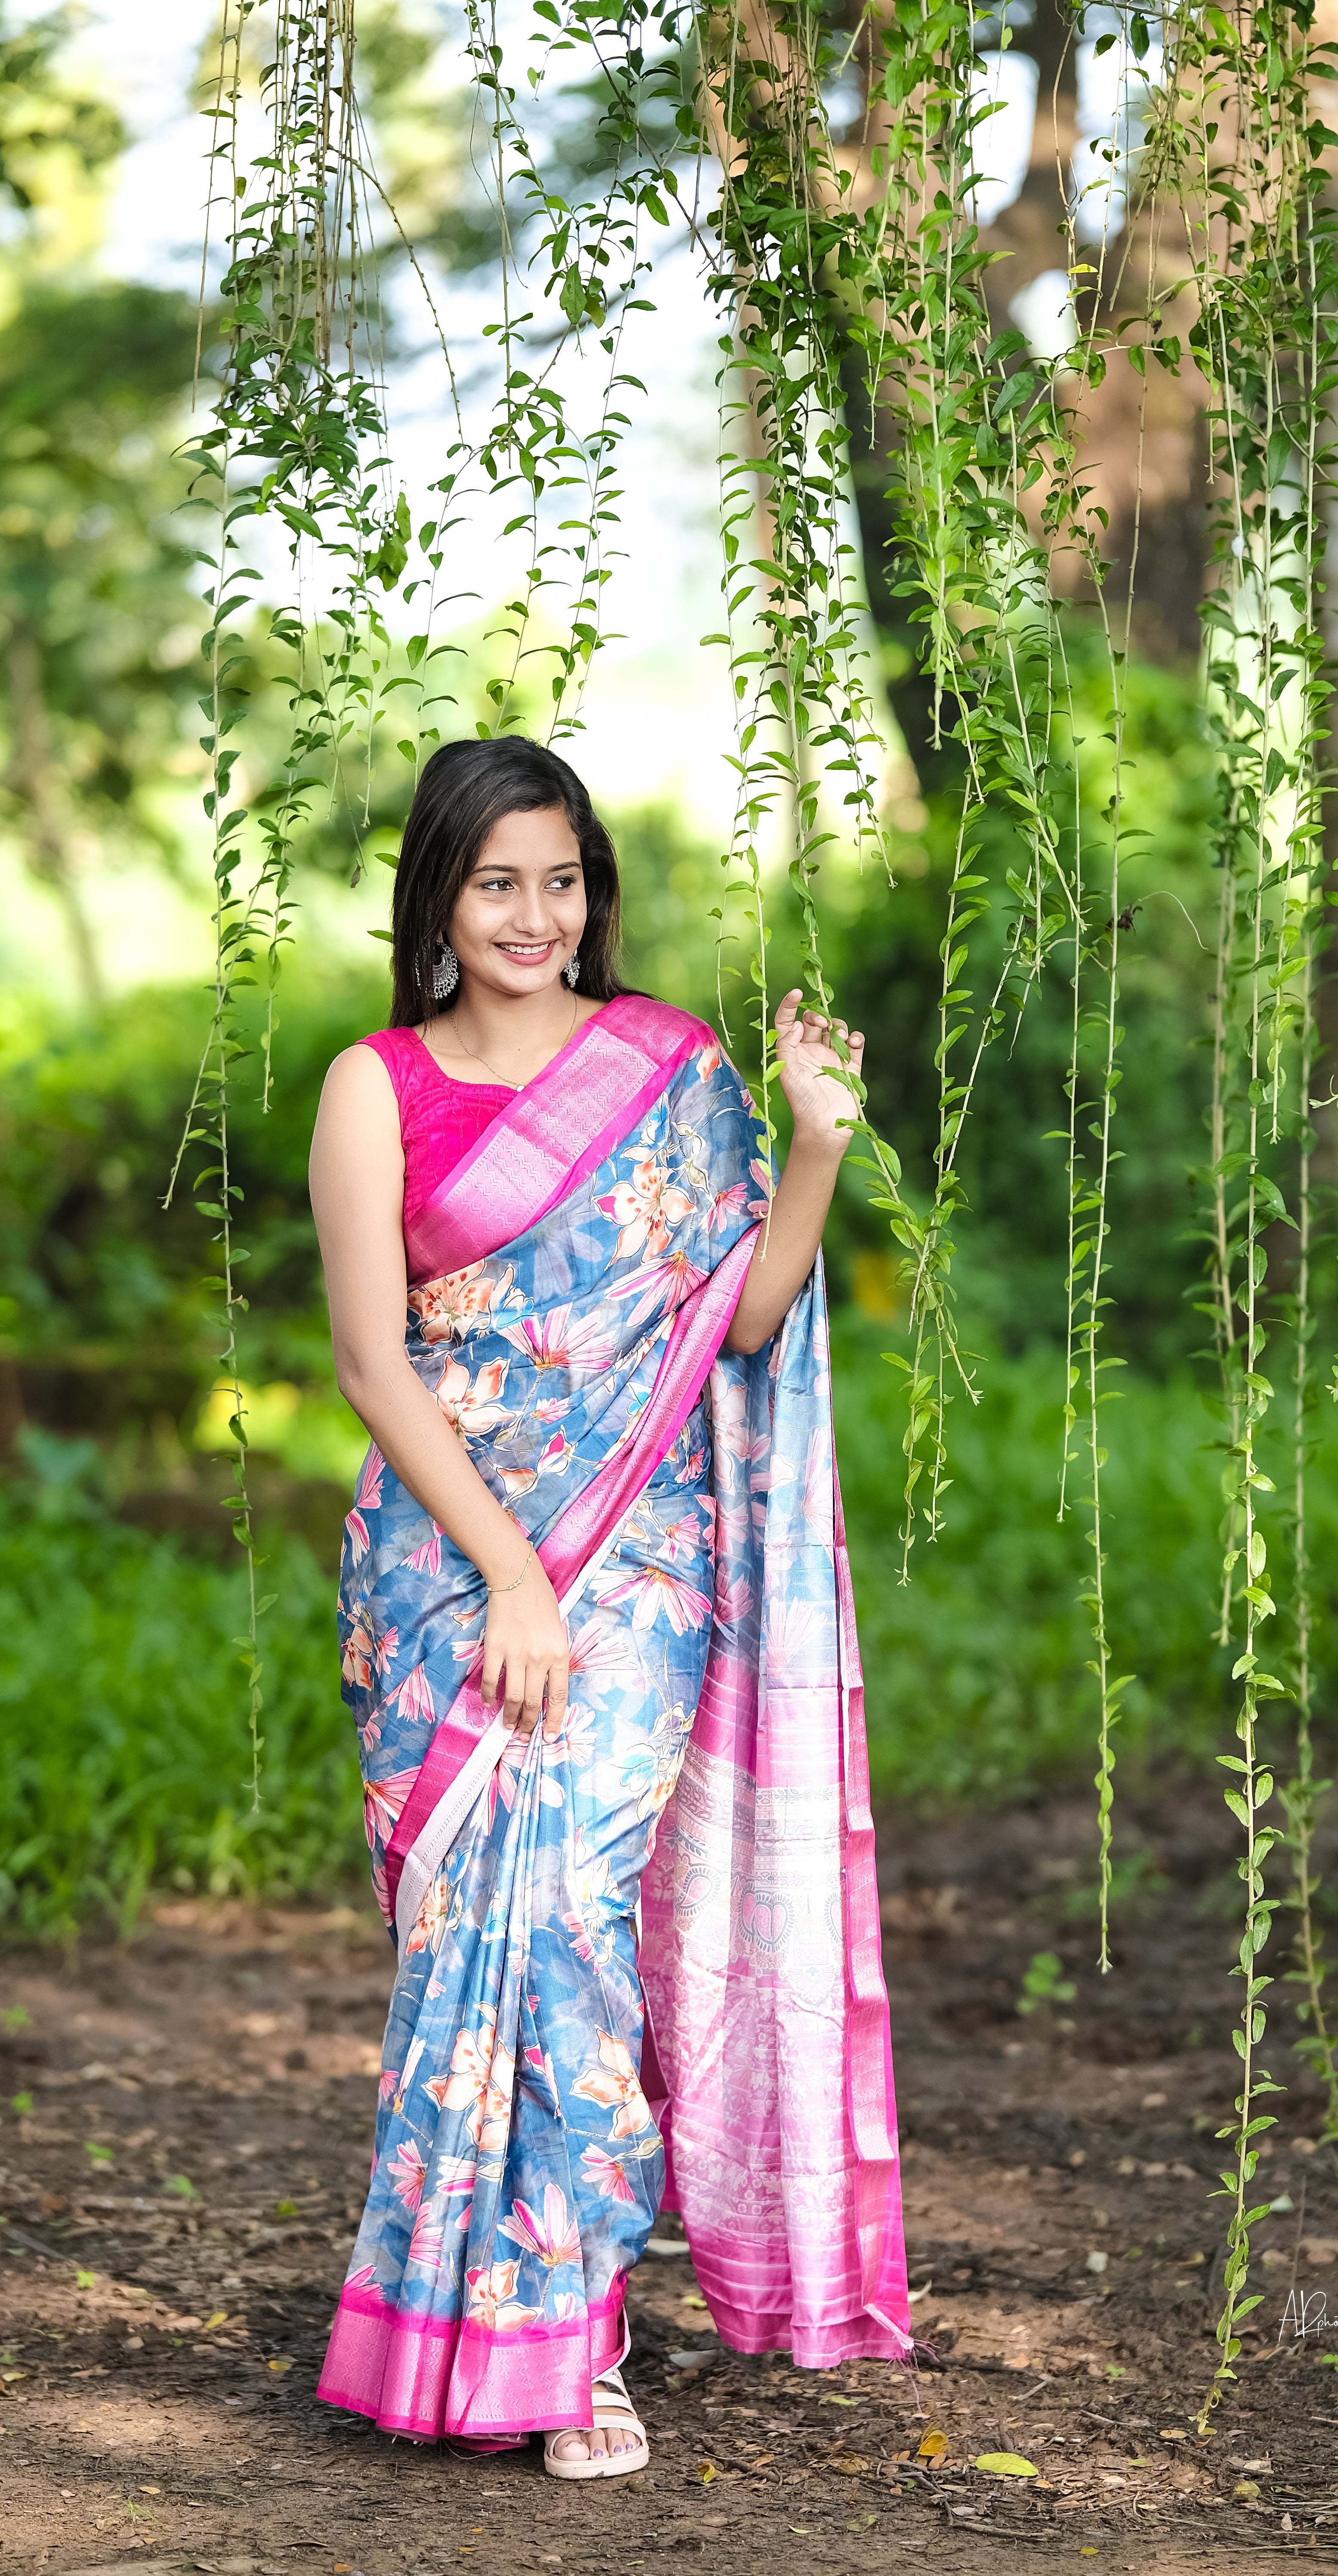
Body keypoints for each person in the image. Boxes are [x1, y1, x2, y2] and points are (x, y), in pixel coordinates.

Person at [307, 734, 912, 2477]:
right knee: (457, 1940)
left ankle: (574, 2340)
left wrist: (807, 1143)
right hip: (440, 1570)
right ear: (435, 891)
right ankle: (448, 2328)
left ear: (594, 893)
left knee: (567, 1906)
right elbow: (368, 1357)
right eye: (495, 881)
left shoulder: (664, 1071)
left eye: (560, 880)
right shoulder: (375, 1085)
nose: (532, 914)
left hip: (635, 1562)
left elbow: (740, 1316)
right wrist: (503, 1569)